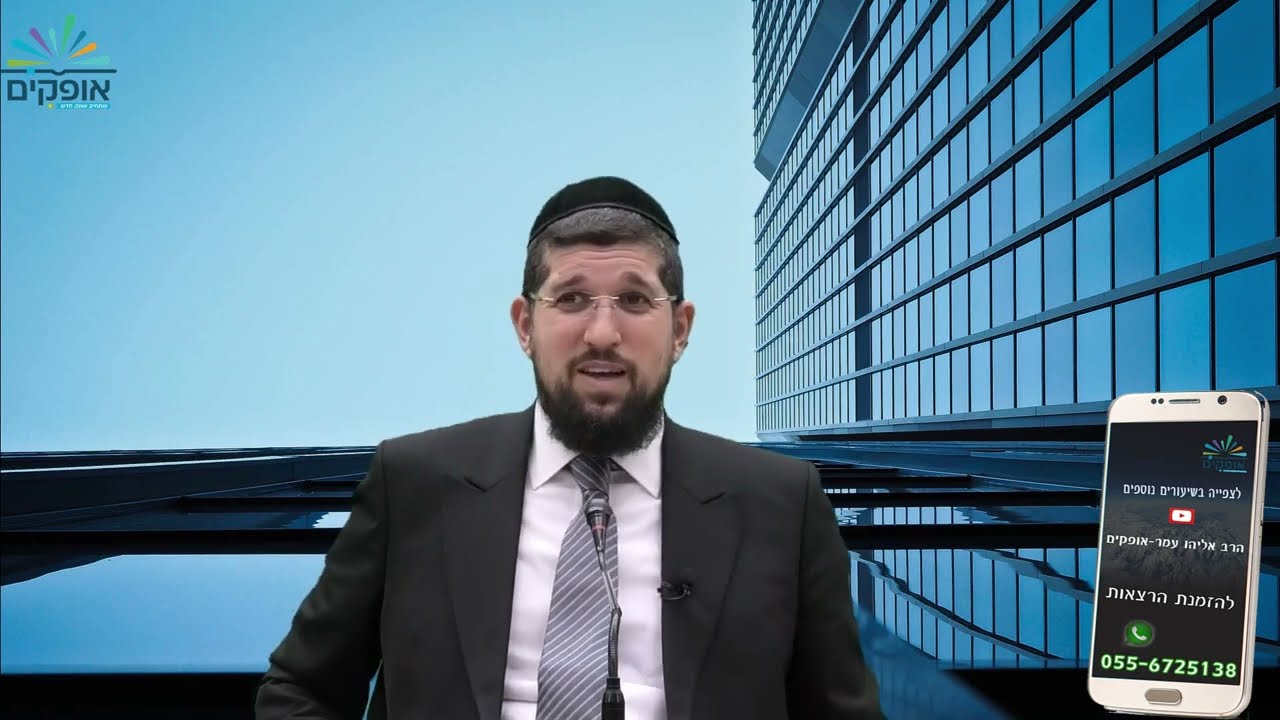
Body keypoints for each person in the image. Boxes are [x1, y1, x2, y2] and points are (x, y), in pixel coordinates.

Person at [254, 176, 883, 720]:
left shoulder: (782, 501)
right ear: (525, 325)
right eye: (572, 299)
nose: (602, 333)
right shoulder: (413, 480)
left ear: (680, 329)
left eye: (634, 300)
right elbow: (300, 690)